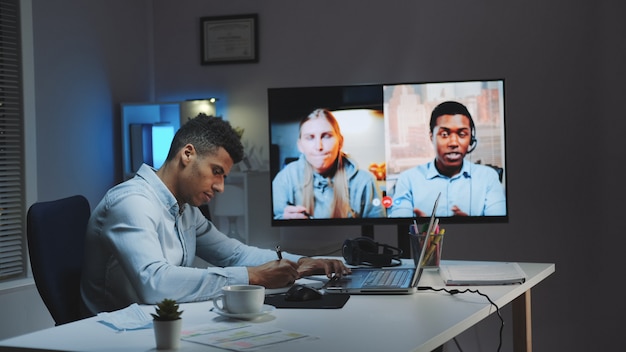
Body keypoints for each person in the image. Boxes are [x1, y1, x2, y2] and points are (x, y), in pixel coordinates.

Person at [80, 114, 350, 315]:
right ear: (188, 154)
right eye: (216, 171)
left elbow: (236, 254)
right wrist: (252, 276)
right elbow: (156, 284)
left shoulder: (185, 209)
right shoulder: (132, 203)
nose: (220, 187)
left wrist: (303, 262)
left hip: (160, 324)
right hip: (115, 336)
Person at [388, 101, 506, 217]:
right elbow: (399, 226)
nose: (453, 143)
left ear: (471, 139)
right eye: (444, 134)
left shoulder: (488, 178)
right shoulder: (408, 180)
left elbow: (500, 229)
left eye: (462, 134)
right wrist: (420, 230)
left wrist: (471, 227)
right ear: (431, 137)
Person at [272, 108, 385, 219]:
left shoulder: (365, 182)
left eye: (326, 136)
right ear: (300, 145)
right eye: (310, 138)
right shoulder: (285, 179)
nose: (318, 146)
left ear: (340, 142)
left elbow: (377, 231)